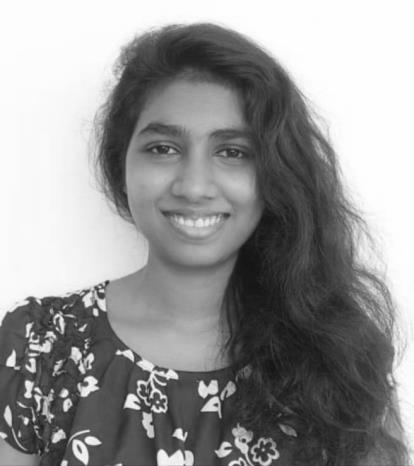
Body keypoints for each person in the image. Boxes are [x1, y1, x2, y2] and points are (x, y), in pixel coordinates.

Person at [0, 22, 410, 466]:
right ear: (122, 162)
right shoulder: (40, 346)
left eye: (233, 152)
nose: (194, 187)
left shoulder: (341, 355)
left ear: (276, 173)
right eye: (163, 148)